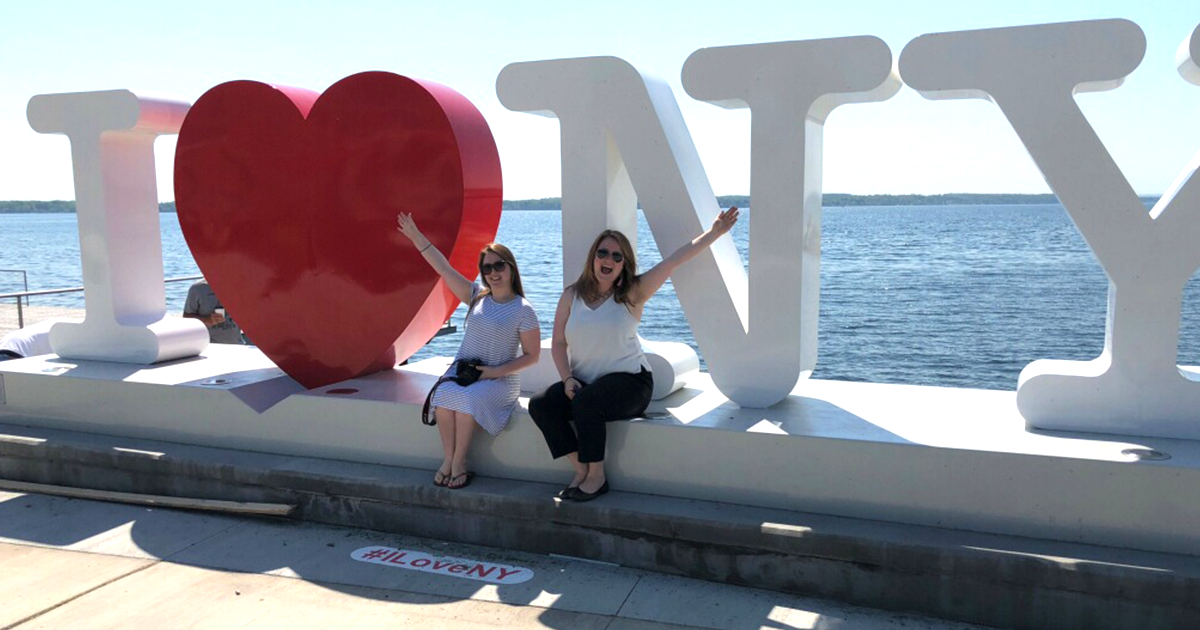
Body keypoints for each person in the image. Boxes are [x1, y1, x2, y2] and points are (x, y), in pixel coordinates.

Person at [528, 206, 740, 502]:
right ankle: (580, 469)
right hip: (585, 384)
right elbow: (560, 344)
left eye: (617, 256)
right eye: (603, 252)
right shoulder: (571, 295)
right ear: (593, 257)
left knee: (588, 403)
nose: (609, 260)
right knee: (541, 405)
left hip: (631, 384)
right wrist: (566, 379)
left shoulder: (632, 293)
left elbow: (673, 262)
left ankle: (597, 477)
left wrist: (715, 233)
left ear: (624, 263)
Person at [396, 212, 541, 489]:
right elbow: (444, 269)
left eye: (499, 266)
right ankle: (449, 460)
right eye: (487, 268)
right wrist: (416, 236)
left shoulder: (524, 310)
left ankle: (459, 462)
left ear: (511, 267)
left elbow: (532, 356)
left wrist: (493, 372)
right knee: (445, 394)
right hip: (466, 373)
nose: (493, 273)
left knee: (466, 402)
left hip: (499, 380)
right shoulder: (477, 296)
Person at [183, 279, 242, 344]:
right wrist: (208, 320)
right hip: (209, 346)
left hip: (237, 343)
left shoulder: (238, 284)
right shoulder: (198, 288)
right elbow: (187, 317)